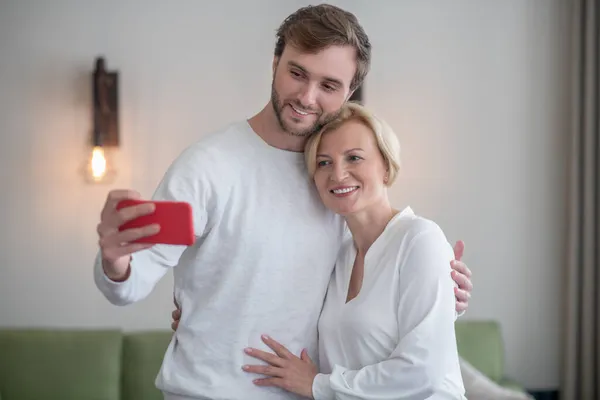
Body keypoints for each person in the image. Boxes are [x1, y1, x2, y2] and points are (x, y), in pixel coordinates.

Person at [94, 4, 473, 400]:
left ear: (348, 93)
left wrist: (441, 294)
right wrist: (116, 262)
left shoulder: (333, 184)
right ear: (275, 63)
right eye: (297, 73)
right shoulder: (208, 165)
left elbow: (368, 296)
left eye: (328, 85)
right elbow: (130, 282)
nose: (307, 97)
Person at [174, 102, 468, 399]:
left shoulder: (419, 238)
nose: (338, 174)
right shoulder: (338, 254)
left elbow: (423, 371)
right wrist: (204, 310)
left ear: (386, 167)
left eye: (354, 158)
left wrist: (317, 385)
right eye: (324, 163)